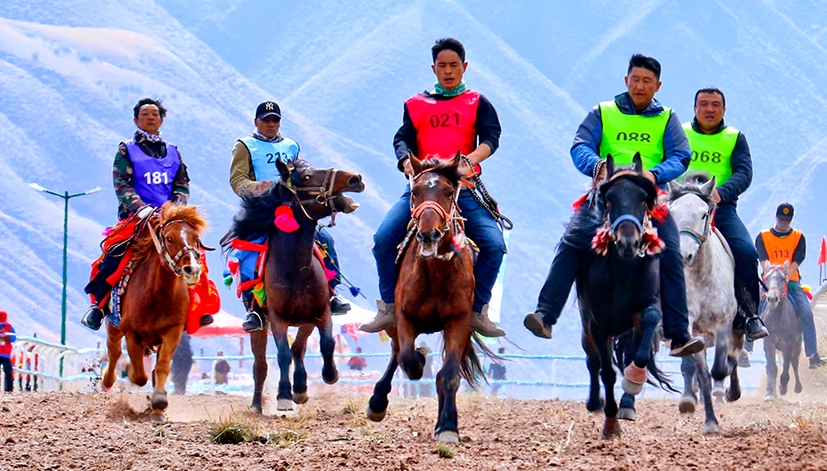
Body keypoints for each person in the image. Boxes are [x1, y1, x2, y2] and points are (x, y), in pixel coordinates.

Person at [524, 54, 704, 358]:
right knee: (573, 242)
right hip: (605, 193)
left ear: (657, 85)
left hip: (646, 196)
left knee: (671, 250)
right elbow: (579, 146)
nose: (640, 85)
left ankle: (677, 333)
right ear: (626, 80)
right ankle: (545, 314)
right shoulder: (602, 112)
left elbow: (681, 156)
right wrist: (597, 167)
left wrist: (654, 173)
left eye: (647, 81)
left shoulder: (667, 118)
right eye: (635, 79)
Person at [359, 37, 507, 337]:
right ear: (433, 68)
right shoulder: (416, 104)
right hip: (424, 187)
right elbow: (403, 139)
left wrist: (470, 160)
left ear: (464, 67)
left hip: (461, 188)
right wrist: (405, 162)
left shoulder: (477, 101)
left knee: (494, 245)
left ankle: (478, 310)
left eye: (454, 65)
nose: (449, 71)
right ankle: (389, 307)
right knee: (383, 239)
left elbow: (491, 137)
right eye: (443, 66)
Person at [81, 98, 217, 331]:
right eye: (145, 114)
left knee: (193, 253)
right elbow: (122, 184)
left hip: (170, 218)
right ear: (136, 120)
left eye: (155, 114)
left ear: (162, 120)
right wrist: (141, 207)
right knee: (113, 254)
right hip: (137, 218)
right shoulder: (126, 150)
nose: (150, 117)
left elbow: (181, 183)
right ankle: (100, 307)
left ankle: (199, 306)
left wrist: (176, 208)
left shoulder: (173, 151)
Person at [229, 100, 351, 333]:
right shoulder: (245, 146)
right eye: (266, 120)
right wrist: (256, 187)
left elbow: (302, 176)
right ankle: (253, 306)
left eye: (275, 119)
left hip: (294, 209)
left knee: (325, 239)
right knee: (248, 248)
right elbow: (237, 179)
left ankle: (333, 292)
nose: (271, 124)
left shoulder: (291, 145)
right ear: (256, 122)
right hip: (263, 209)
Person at [681, 87, 769, 343]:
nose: (710, 109)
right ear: (695, 108)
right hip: (681, 208)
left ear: (724, 110)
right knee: (651, 246)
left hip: (720, 208)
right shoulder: (680, 133)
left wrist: (721, 192)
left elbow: (744, 173)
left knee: (745, 251)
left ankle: (749, 315)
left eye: (716, 104)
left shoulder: (734, 138)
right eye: (704, 104)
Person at [756, 203, 827, 368]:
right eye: (781, 220)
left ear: (791, 220)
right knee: (753, 308)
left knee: (806, 312)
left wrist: (786, 276)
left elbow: (797, 260)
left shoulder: (798, 236)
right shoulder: (763, 236)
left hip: (792, 281)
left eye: (786, 221)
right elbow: (763, 260)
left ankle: (813, 355)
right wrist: (774, 277)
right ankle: (746, 349)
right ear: (776, 217)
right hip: (770, 282)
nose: (783, 223)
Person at [0, 311, 16, 392]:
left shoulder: (9, 327)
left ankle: (9, 389)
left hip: (6, 354)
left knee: (8, 371)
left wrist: (8, 336)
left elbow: (13, 339)